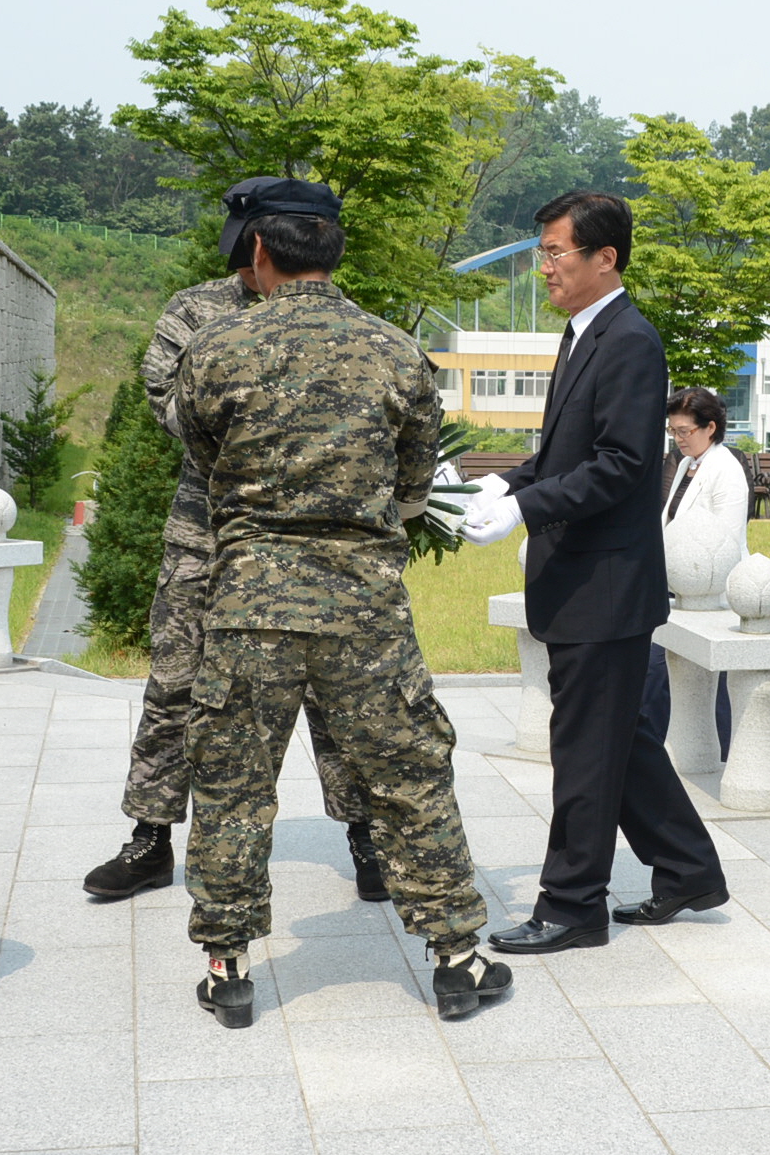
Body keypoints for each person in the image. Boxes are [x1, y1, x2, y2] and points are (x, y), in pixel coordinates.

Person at [172, 177, 506, 1026]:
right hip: (364, 607)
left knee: (233, 783)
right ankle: (457, 958)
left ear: (259, 252)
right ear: (334, 251)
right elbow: (412, 488)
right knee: (409, 776)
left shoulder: (215, 350)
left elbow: (207, 461)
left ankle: (227, 967)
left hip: (251, 601)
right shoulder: (398, 353)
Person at [85, 181, 385, 905]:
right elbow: (173, 409)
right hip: (209, 536)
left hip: (317, 544)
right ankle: (151, 834)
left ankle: (368, 834)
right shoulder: (195, 311)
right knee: (176, 680)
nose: (252, 263)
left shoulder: (347, 322)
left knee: (337, 687)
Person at [460, 191, 728, 953]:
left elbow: (622, 465)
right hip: (582, 579)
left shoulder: (630, 340)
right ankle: (687, 867)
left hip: (604, 585)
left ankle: (573, 904)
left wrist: (529, 510)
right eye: (542, 250)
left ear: (603, 258)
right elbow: (565, 453)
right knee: (618, 741)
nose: (543, 266)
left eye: (555, 252)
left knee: (583, 750)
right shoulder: (584, 335)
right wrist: (507, 485)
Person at [641, 387, 752, 758]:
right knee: (671, 672)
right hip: (676, 586)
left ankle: (717, 753)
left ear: (711, 427)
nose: (679, 438)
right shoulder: (689, 463)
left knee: (701, 678)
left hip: (708, 591)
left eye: (685, 431)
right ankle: (662, 750)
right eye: (673, 431)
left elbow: (726, 540)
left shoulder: (726, 470)